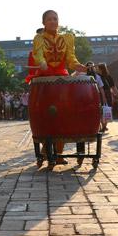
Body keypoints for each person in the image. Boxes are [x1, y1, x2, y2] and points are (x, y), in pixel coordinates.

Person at [30, 10, 86, 163]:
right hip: (45, 80)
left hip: (62, 80)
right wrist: (41, 63)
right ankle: (46, 149)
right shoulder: (39, 38)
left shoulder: (67, 38)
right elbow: (38, 55)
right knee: (48, 114)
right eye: (49, 19)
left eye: (55, 19)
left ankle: (58, 153)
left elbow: (70, 58)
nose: (53, 21)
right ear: (44, 22)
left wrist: (77, 65)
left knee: (63, 113)